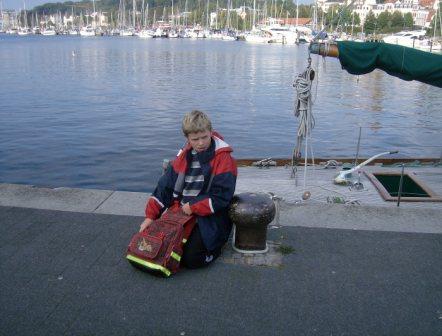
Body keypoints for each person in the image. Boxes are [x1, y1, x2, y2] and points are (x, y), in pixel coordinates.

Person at [140, 110, 237, 269]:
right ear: (187, 138)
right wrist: (150, 217)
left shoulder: (225, 159)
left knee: (192, 260)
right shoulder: (182, 157)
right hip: (181, 211)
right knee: (157, 248)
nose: (200, 143)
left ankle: (218, 245)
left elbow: (222, 196)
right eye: (195, 139)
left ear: (211, 132)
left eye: (204, 137)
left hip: (210, 214)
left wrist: (193, 207)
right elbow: (164, 188)